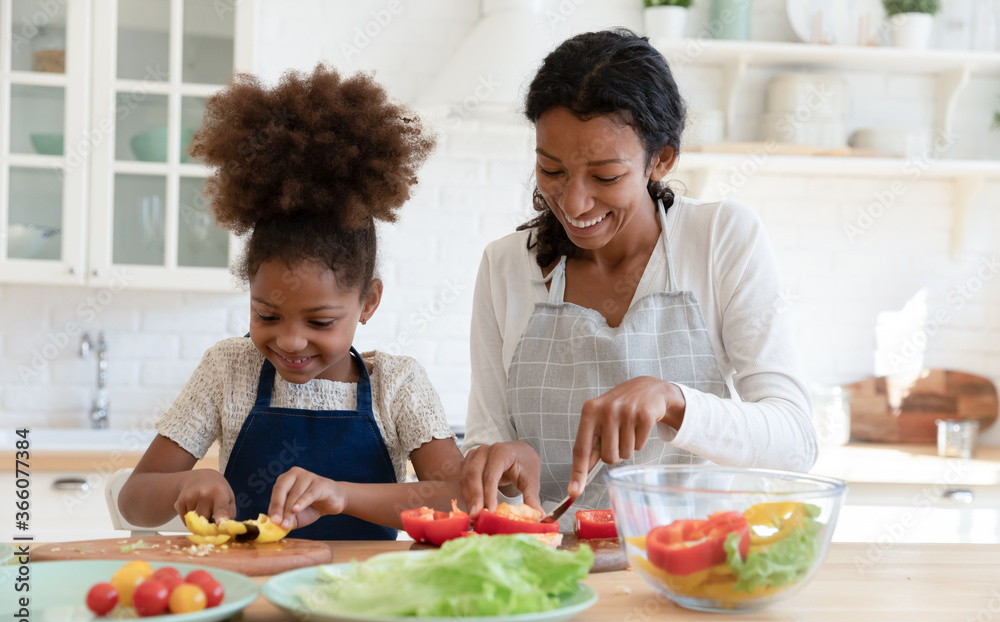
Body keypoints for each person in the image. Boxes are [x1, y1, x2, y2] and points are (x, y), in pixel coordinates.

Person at [460, 29, 817, 528]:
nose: (575, 202)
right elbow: (485, 443)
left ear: (662, 160)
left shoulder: (719, 238)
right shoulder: (505, 266)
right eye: (552, 170)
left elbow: (795, 441)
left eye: (606, 177)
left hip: (691, 561)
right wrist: (499, 462)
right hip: (548, 568)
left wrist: (673, 401)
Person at [119, 65, 462, 540]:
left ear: (369, 302)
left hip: (365, 601)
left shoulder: (398, 386)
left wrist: (343, 495)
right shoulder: (228, 369)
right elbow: (135, 500)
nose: (290, 339)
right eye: (267, 314)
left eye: (320, 321)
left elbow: (458, 501)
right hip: (248, 592)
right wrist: (188, 482)